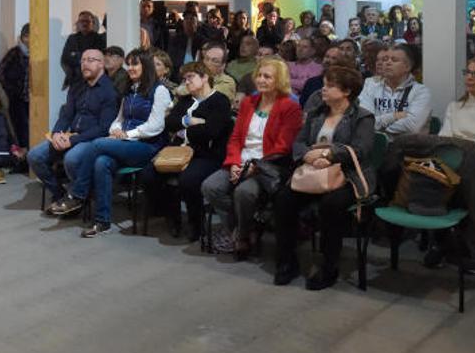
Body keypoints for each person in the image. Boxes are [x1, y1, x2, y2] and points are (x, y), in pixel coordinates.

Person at [273, 66, 375, 290]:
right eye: (324, 84)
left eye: (330, 85)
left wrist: (329, 155)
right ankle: (287, 261)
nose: (323, 89)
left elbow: (361, 149)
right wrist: (307, 155)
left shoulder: (362, 117)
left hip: (346, 176)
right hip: (313, 171)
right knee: (283, 199)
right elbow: (299, 142)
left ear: (347, 91)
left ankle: (329, 265)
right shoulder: (317, 113)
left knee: (332, 204)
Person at [201, 58, 303, 259]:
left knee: (244, 193)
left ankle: (242, 236)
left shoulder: (289, 107)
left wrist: (254, 167)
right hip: (240, 161)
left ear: (279, 80)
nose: (261, 80)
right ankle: (244, 227)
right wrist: (233, 163)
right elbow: (236, 138)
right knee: (210, 186)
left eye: (267, 76)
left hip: (267, 167)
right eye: (259, 75)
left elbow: (283, 146)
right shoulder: (248, 102)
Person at [68, 50, 171, 236]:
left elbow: (155, 126)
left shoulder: (160, 90)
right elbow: (119, 119)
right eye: (129, 64)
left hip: (148, 147)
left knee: (98, 144)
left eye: (135, 64)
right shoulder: (130, 89)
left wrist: (126, 134)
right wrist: (115, 130)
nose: (130, 68)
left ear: (145, 66)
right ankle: (103, 222)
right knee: (101, 163)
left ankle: (78, 194)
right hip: (126, 144)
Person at [140, 61, 233, 241]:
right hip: (177, 152)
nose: (186, 82)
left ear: (205, 77)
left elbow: (211, 132)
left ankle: (195, 223)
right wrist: (189, 122)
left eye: (190, 77)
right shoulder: (186, 101)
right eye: (184, 79)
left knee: (188, 180)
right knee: (148, 175)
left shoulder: (219, 101)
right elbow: (168, 124)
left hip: (206, 154)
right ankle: (171, 216)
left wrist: (183, 130)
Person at [28, 48, 119, 213]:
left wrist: (72, 140)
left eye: (90, 60)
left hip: (91, 140)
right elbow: (66, 116)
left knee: (72, 159)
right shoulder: (77, 86)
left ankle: (79, 198)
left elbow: (103, 129)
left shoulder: (109, 91)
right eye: (83, 60)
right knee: (34, 156)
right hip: (70, 136)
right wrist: (56, 134)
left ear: (101, 64)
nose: (85, 64)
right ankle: (62, 195)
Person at [358, 45, 432, 136]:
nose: (387, 63)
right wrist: (394, 116)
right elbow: (364, 122)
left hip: (408, 147)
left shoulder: (421, 92)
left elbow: (412, 127)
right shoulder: (371, 87)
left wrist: (380, 129)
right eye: (385, 59)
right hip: (375, 146)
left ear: (407, 67)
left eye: (394, 60)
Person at [0, 23, 30, 148]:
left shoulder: (38, 54)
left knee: (33, 130)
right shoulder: (14, 53)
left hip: (33, 99)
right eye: (29, 36)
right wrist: (11, 90)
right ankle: (22, 161)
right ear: (24, 37)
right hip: (17, 100)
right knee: (20, 130)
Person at [61, 10, 106, 89]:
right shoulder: (72, 38)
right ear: (78, 23)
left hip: (92, 80)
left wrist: (76, 55)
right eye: (82, 21)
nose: (84, 23)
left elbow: (98, 59)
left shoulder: (99, 39)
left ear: (93, 23)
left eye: (87, 21)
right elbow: (65, 58)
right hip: (74, 80)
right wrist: (84, 58)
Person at [168, 11, 203, 76]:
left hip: (196, 73)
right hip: (178, 73)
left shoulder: (202, 41)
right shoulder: (175, 40)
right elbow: (171, 60)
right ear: (183, 23)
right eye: (186, 19)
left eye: (192, 19)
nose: (189, 21)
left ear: (197, 23)